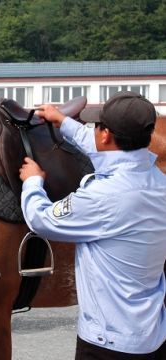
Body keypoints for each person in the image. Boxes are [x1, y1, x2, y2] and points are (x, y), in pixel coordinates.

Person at [19, 91, 166, 359]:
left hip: (106, 344)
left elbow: (40, 219)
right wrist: (63, 121)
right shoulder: (157, 180)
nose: (94, 132)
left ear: (106, 135)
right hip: (152, 335)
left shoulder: (103, 197)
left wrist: (32, 181)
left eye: (96, 127)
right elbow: (106, 149)